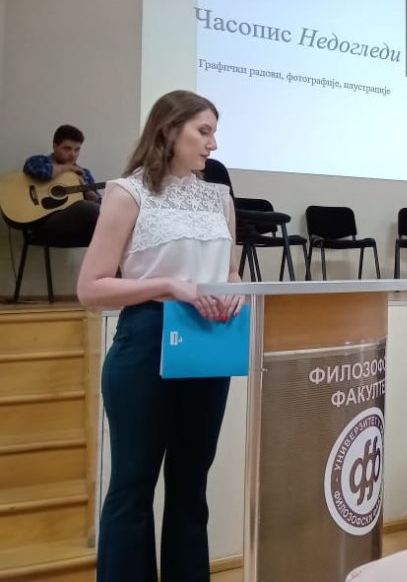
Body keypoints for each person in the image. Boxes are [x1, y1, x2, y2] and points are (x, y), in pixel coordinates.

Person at [77, 91, 243, 582]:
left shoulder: (219, 198)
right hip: (147, 339)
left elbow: (230, 271)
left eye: (214, 132)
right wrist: (169, 286)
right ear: (169, 130)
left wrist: (235, 289)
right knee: (133, 484)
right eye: (204, 131)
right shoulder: (127, 193)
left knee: (191, 485)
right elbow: (90, 288)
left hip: (209, 341)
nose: (213, 143)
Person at [21, 124, 101, 245]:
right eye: (67, 148)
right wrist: (67, 168)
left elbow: (98, 206)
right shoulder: (40, 161)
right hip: (42, 224)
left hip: (76, 230)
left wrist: (85, 188)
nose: (73, 154)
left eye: (77, 149)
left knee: (109, 216)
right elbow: (38, 171)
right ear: (55, 146)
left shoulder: (84, 173)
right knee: (84, 206)